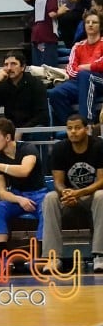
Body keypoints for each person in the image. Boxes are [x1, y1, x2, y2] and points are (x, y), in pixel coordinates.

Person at [0, 117, 48, 263]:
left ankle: (41, 255)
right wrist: (19, 199)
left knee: (46, 209)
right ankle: (2, 256)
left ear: (8, 137)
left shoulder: (28, 148)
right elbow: (2, 193)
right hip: (17, 195)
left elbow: (24, 170)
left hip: (39, 194)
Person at [42, 113, 103, 272]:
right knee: (50, 198)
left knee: (101, 196)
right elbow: (58, 182)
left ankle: (99, 256)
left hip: (91, 197)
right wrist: (66, 193)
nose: (73, 132)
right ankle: (53, 257)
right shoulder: (60, 148)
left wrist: (80, 192)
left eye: (77, 128)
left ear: (87, 129)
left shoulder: (98, 146)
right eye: (69, 128)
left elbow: (101, 181)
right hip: (69, 198)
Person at [0, 49, 49, 134]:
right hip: (9, 129)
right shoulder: (3, 83)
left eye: (13, 64)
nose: (9, 68)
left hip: (30, 128)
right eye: (6, 64)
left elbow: (42, 116)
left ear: (23, 67)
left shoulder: (36, 84)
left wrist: (22, 131)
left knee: (40, 129)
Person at [49, 12, 103, 125]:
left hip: (100, 80)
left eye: (94, 22)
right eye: (87, 22)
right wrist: (89, 69)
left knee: (85, 76)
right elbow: (70, 70)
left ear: (101, 26)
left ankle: (87, 123)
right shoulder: (78, 46)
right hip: (81, 81)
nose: (90, 24)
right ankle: (72, 125)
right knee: (55, 93)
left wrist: (85, 67)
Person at [32, 0, 64, 67]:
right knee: (49, 68)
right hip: (47, 35)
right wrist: (62, 10)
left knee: (39, 66)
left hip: (37, 34)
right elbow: (52, 13)